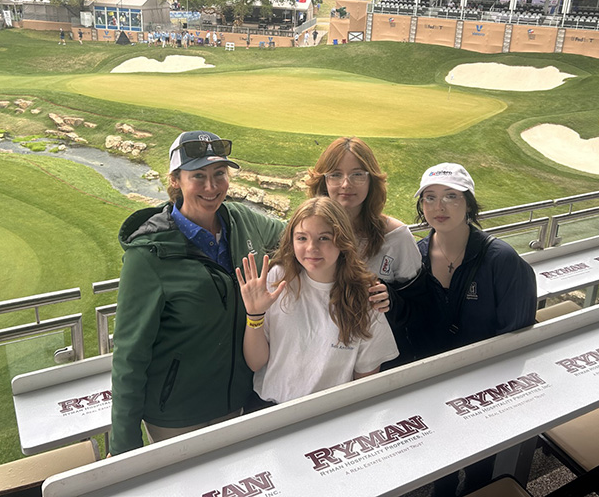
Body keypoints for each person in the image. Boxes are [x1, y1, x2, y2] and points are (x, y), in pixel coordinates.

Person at [108, 130, 285, 455]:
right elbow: (129, 357)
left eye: (219, 174)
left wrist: (372, 235)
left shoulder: (243, 220)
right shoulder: (148, 256)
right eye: (198, 176)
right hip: (177, 418)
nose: (211, 186)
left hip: (237, 404)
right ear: (176, 180)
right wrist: (123, 447)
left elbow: (305, 236)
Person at [400, 163, 536, 496]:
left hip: (485, 387)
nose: (439, 207)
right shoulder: (414, 257)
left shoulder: (501, 260)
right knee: (441, 465)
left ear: (469, 204)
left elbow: (519, 333)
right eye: (429, 198)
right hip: (433, 383)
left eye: (450, 196)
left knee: (479, 468)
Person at [237, 197, 398, 406]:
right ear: (291, 240)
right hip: (270, 408)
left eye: (324, 238)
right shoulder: (277, 279)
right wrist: (254, 315)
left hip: (330, 415)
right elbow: (255, 362)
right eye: (302, 238)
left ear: (343, 241)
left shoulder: (366, 296)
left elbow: (365, 380)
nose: (311, 247)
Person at [306, 138, 422, 346]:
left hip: (378, 360)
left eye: (357, 174)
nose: (345, 184)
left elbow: (421, 307)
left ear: (371, 180)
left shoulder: (397, 237)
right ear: (323, 181)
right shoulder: (306, 234)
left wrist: (391, 300)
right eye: (335, 174)